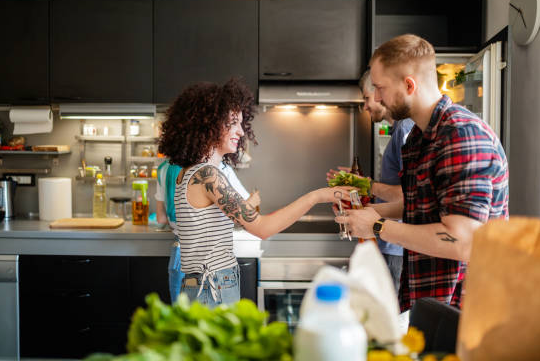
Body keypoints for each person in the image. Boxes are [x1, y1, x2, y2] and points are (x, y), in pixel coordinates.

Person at [339, 34, 509, 313]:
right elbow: (419, 206)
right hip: (431, 301)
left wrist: (378, 227)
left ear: (409, 85)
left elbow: (463, 241)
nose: (377, 97)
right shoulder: (420, 137)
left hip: (465, 310)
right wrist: (370, 214)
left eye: (380, 87)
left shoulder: (460, 134)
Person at [158, 77, 348, 308]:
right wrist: (318, 196)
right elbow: (263, 228)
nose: (241, 131)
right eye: (233, 123)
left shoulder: (189, 172)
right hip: (211, 288)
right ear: (209, 124)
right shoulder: (207, 175)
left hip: (204, 286)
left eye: (241, 123)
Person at [326, 69, 414, 295]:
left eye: (366, 97)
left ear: (380, 92)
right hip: (390, 241)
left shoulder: (405, 129)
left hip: (397, 247)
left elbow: (407, 196)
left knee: (391, 316)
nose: (366, 105)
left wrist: (367, 186)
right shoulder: (398, 131)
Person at [155, 158, 259, 303]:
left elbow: (161, 218)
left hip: (180, 256)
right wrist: (254, 200)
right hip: (211, 266)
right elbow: (243, 211)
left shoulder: (164, 168)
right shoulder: (216, 170)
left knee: (182, 321)